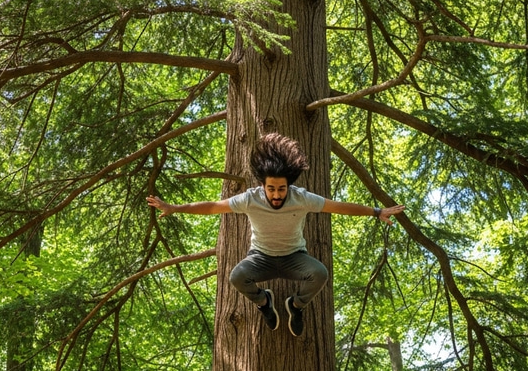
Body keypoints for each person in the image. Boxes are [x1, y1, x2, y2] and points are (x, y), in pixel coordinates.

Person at [147, 133, 404, 337]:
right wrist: (175, 208)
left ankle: (296, 306)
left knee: (320, 273)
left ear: (288, 185)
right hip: (261, 258)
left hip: (295, 257)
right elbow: (214, 206)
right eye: (271, 189)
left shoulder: (301, 198)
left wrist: (376, 211)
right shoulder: (250, 199)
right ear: (263, 186)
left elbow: (337, 206)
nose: (277, 195)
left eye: (281, 189)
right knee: (237, 276)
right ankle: (264, 302)